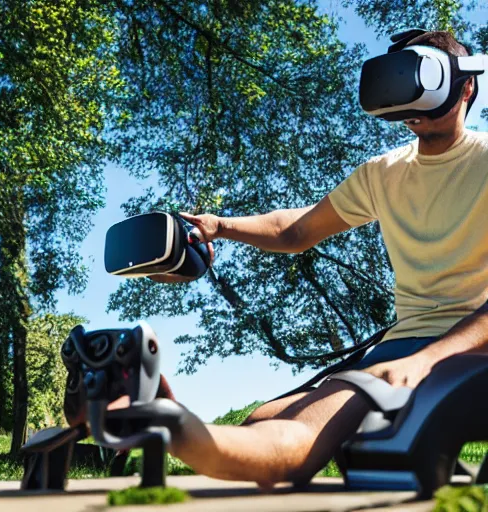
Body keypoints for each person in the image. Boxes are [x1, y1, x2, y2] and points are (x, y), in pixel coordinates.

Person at [65, 31, 488, 488]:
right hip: (403, 347)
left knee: (324, 430)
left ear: (465, 86)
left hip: (471, 344)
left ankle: (180, 428)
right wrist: (219, 226)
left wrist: (429, 360)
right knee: (263, 422)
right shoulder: (383, 173)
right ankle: (165, 421)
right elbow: (297, 229)